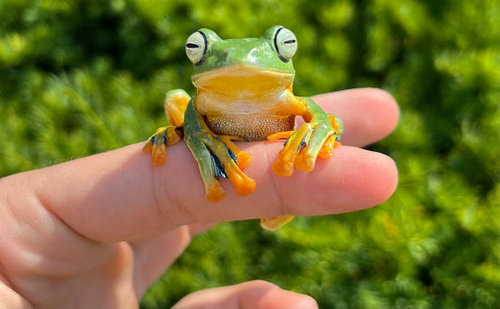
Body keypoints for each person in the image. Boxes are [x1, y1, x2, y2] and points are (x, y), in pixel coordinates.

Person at [0, 88, 399, 308]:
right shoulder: (200, 103)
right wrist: (196, 132)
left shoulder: (293, 101)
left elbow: (328, 118)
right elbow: (184, 104)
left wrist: (319, 131)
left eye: (284, 44)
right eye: (198, 49)